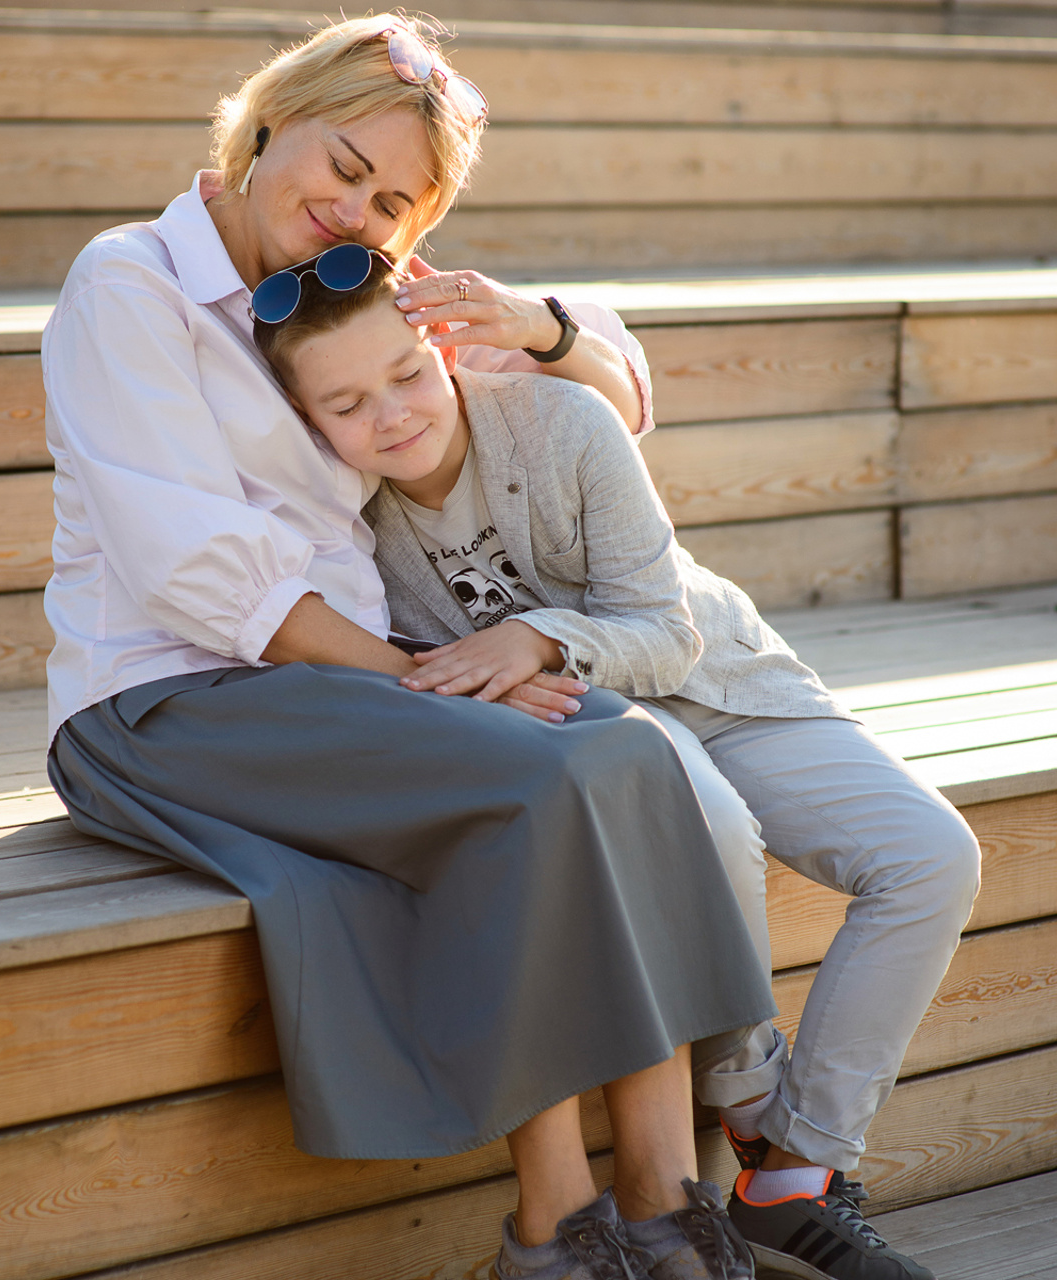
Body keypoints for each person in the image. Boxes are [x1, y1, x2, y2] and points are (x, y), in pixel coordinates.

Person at [41, 15, 775, 1280]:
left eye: (390, 202)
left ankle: (664, 1203)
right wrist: (420, 680)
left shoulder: (344, 301)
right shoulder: (130, 281)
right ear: (265, 125)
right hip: (173, 697)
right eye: (340, 167)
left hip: (339, 686)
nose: (352, 209)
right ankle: (552, 1230)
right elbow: (202, 574)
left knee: (626, 749)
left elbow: (620, 378)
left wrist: (546, 332)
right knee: (539, 768)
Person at [251, 247, 982, 1280]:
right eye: (345, 403)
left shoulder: (562, 421)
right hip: (601, 736)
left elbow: (663, 629)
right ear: (308, 422)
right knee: (707, 818)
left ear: (442, 349)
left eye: (407, 373)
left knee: (929, 855)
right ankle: (743, 1093)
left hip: (725, 682)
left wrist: (535, 636)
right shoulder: (343, 530)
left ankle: (794, 1167)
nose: (392, 414)